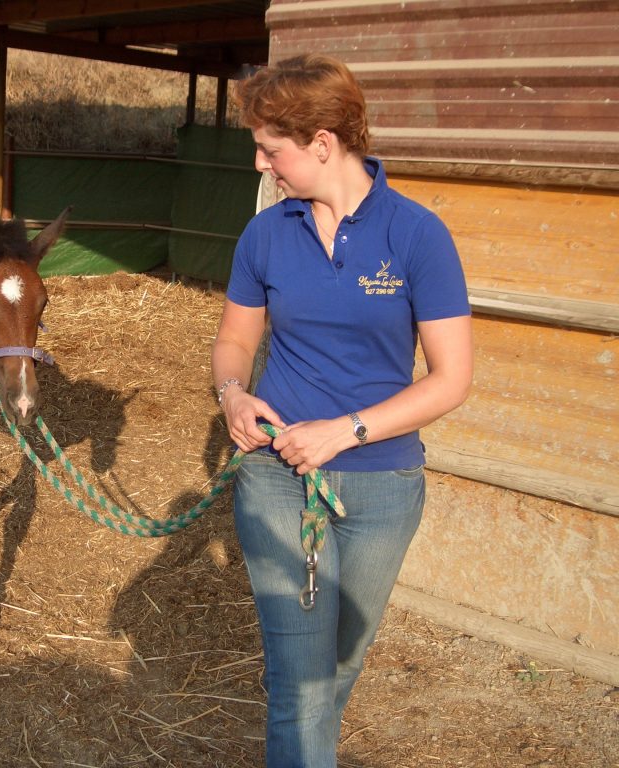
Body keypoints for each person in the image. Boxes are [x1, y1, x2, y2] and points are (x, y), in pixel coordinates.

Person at [211, 54, 473, 767]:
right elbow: (236, 339)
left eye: (272, 149)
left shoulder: (417, 236)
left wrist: (345, 431)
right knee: (299, 684)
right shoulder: (266, 235)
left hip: (383, 485)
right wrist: (233, 393)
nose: (263, 165)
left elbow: (451, 380)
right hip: (276, 475)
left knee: (337, 672)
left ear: (322, 141)